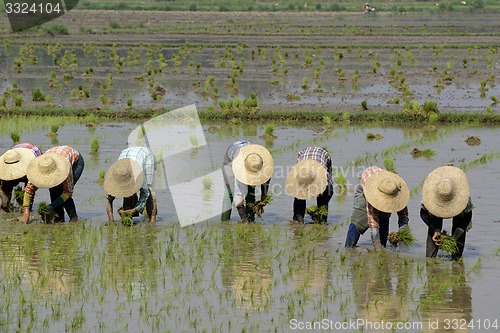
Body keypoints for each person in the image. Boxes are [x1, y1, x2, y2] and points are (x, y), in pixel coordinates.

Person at [345, 166, 410, 250]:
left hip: (384, 187)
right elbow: (373, 224)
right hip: (364, 187)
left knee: (384, 217)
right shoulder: (372, 194)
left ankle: (383, 246)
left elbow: (404, 218)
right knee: (359, 219)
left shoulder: (397, 192)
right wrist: (378, 250)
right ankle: (349, 248)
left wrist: (400, 235)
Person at [20, 145, 84, 223]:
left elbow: (67, 192)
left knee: (60, 190)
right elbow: (28, 190)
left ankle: (74, 218)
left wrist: (51, 206)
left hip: (76, 161)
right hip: (54, 155)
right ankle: (59, 218)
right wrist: (26, 213)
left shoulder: (66, 168)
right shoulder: (38, 168)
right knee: (53, 188)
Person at [420, 166, 472, 259]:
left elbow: (468, 216)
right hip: (435, 213)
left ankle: (456, 260)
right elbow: (423, 213)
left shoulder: (464, 198)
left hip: (460, 215)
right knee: (430, 256)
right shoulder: (429, 196)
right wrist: (435, 229)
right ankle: (431, 260)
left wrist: (455, 236)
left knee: (459, 230)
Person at [221, 141, 274, 222]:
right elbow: (239, 201)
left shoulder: (260, 162)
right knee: (229, 193)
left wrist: (263, 198)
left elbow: (266, 181)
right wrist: (244, 220)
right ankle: (224, 222)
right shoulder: (240, 168)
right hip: (230, 161)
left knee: (251, 191)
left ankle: (251, 219)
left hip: (248, 154)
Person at [104, 146, 157, 223]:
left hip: (145, 156)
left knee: (149, 189)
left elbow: (145, 193)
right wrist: (111, 220)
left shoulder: (139, 173)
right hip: (126, 154)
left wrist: (136, 209)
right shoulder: (117, 173)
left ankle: (152, 220)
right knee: (127, 192)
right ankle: (128, 215)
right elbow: (108, 199)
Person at [285, 147, 333, 224]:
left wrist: (321, 208)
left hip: (322, 157)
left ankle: (321, 221)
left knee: (324, 196)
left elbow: (329, 188)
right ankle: (297, 220)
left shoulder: (322, 174)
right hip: (303, 158)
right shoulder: (300, 173)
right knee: (299, 196)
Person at [0, 143, 42, 212]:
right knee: (7, 184)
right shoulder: (8, 159)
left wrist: (26, 208)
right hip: (16, 152)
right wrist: (4, 198)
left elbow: (31, 188)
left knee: (29, 190)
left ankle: (27, 208)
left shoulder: (32, 163)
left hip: (31, 160)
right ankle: (6, 205)